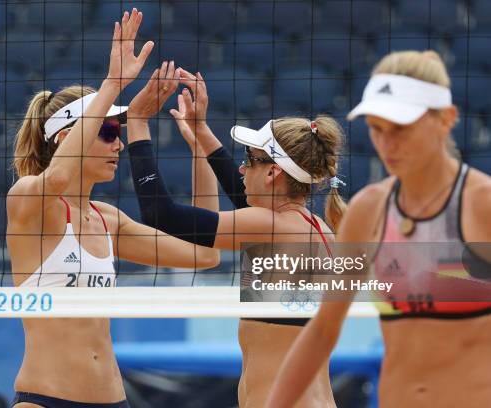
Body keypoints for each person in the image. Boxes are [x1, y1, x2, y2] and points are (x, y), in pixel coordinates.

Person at [7, 9, 219, 408]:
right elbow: (55, 180)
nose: (117, 144)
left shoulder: (108, 220)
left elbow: (204, 253)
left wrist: (198, 151)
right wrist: (113, 84)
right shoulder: (29, 199)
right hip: (45, 398)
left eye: (118, 133)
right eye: (107, 132)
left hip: (114, 400)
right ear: (69, 137)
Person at [266, 50, 491, 408]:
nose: (387, 144)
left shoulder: (482, 204)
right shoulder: (369, 210)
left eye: (401, 128)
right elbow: (323, 331)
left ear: (447, 119)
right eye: (376, 129)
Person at [126, 65, 347, 407]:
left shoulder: (270, 227)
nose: (242, 168)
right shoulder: (315, 226)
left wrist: (138, 122)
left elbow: (162, 215)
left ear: (273, 172)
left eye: (251, 160)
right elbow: (247, 201)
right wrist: (201, 131)